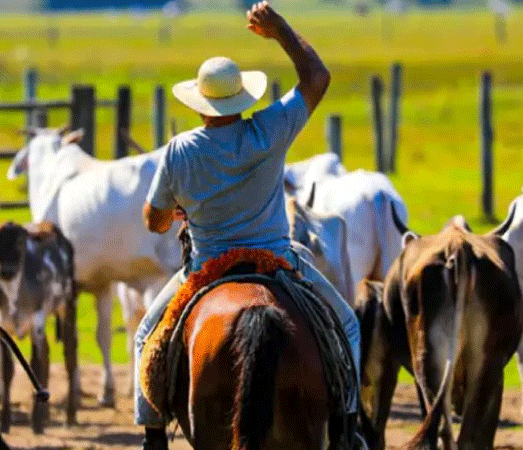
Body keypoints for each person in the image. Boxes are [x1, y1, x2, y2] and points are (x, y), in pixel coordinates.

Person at [135, 2, 360, 449]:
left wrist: (180, 207)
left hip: (206, 269)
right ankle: (348, 430)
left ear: (200, 106)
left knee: (146, 334)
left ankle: (153, 435)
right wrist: (280, 32)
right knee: (348, 324)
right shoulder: (269, 129)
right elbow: (317, 78)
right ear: (242, 100)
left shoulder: (181, 150)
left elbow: (154, 221)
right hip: (278, 261)